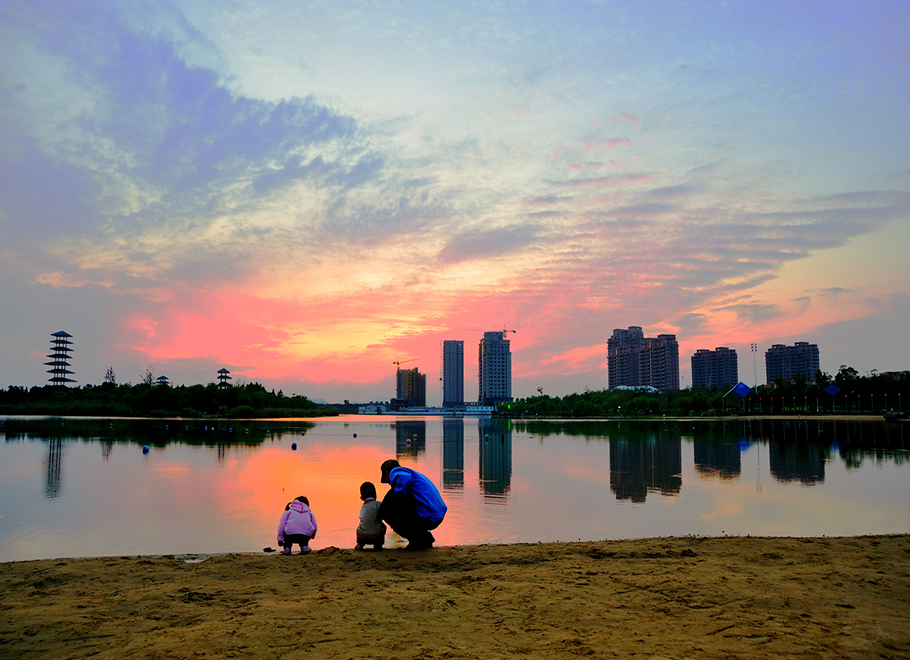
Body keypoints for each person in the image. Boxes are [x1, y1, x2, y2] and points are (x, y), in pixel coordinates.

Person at [378, 459, 446, 550]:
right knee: (394, 500)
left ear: (386, 473)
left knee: (385, 510)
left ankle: (417, 540)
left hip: (428, 515)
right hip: (436, 515)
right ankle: (423, 538)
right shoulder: (414, 475)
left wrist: (397, 496)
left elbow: (404, 478)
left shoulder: (396, 472)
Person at [355, 481, 387, 550]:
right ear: (375, 494)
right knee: (383, 526)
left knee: (360, 526)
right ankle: (378, 545)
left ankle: (360, 544)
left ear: (362, 497)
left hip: (362, 537)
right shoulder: (378, 505)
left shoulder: (363, 507)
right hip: (376, 537)